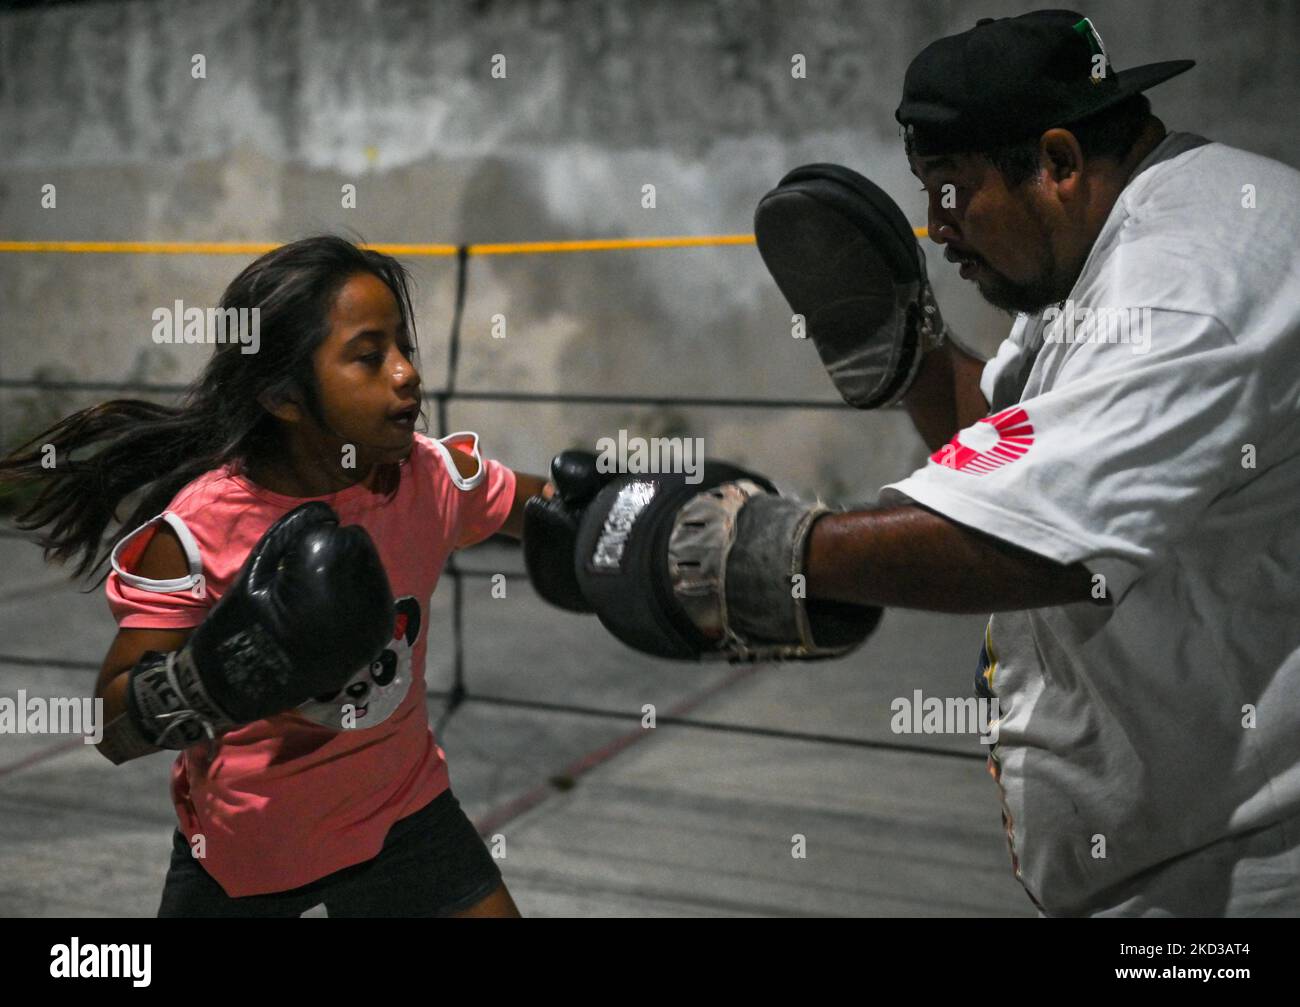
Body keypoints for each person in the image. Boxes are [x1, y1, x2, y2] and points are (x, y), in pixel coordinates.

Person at [528, 10, 1300, 916]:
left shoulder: (1183, 293)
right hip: (1180, 838)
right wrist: (919, 370)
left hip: (1233, 885)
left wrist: (730, 551)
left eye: (949, 190)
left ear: (1054, 161)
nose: (936, 230)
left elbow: (1036, 538)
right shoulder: (1125, 237)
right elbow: (1027, 444)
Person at [0, 235, 553, 917]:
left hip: (402, 814)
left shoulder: (427, 477)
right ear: (283, 396)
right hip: (250, 846)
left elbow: (552, 510)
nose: (407, 373)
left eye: (405, 347)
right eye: (369, 355)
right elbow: (111, 728)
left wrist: (656, 530)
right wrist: (217, 678)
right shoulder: (201, 530)